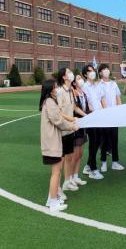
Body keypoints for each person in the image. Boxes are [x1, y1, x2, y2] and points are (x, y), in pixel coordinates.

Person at [40, 79, 78, 212]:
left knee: (56, 172)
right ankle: (53, 202)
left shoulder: (49, 102)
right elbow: (58, 120)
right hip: (52, 143)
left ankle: (51, 199)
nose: (56, 90)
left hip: (52, 142)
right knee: (56, 173)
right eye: (55, 88)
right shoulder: (50, 102)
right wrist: (72, 126)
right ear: (50, 89)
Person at [56, 67, 86, 193]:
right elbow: (58, 112)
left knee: (69, 157)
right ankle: (57, 189)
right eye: (68, 72)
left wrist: (86, 116)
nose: (71, 74)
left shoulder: (70, 91)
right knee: (60, 161)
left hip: (70, 130)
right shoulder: (59, 92)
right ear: (64, 77)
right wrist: (72, 119)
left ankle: (67, 182)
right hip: (62, 130)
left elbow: (74, 107)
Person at [98, 64, 125, 172]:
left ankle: (115, 162)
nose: (106, 71)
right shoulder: (98, 85)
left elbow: (118, 99)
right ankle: (103, 162)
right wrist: (106, 113)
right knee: (104, 140)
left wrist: (119, 111)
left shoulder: (114, 84)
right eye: (103, 69)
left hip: (114, 116)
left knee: (114, 139)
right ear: (100, 73)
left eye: (107, 69)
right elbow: (100, 100)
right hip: (104, 117)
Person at [81, 64, 105, 180]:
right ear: (85, 74)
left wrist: (105, 113)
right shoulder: (84, 87)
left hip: (100, 118)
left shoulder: (97, 86)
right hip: (91, 118)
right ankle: (93, 169)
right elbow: (86, 104)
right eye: (89, 71)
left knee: (99, 142)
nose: (92, 73)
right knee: (93, 143)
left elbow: (101, 99)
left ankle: (88, 165)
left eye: (93, 70)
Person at [71, 74, 90, 187]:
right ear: (74, 83)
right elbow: (75, 108)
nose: (80, 80)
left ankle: (76, 176)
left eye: (80, 78)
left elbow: (87, 107)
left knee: (80, 153)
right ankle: (70, 177)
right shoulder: (73, 93)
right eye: (78, 79)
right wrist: (85, 115)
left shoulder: (84, 93)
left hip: (83, 125)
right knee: (75, 154)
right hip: (76, 124)